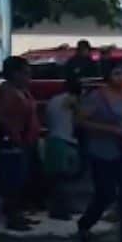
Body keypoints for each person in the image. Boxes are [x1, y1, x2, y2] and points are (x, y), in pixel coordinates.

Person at [76, 60, 122, 242]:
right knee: (105, 194)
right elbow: (81, 121)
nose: (121, 77)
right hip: (102, 152)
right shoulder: (97, 97)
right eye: (116, 73)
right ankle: (85, 224)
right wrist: (110, 130)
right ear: (107, 76)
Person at [0, 56, 42, 231]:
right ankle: (12, 218)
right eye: (25, 73)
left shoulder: (21, 90)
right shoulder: (6, 91)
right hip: (12, 143)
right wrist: (16, 139)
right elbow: (5, 119)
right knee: (11, 180)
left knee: (21, 179)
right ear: (15, 74)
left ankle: (19, 214)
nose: (29, 76)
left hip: (25, 142)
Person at [44, 76, 82, 220]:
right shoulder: (71, 100)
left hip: (53, 139)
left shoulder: (54, 100)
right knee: (65, 178)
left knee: (56, 179)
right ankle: (61, 210)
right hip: (65, 141)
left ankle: (58, 208)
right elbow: (80, 119)